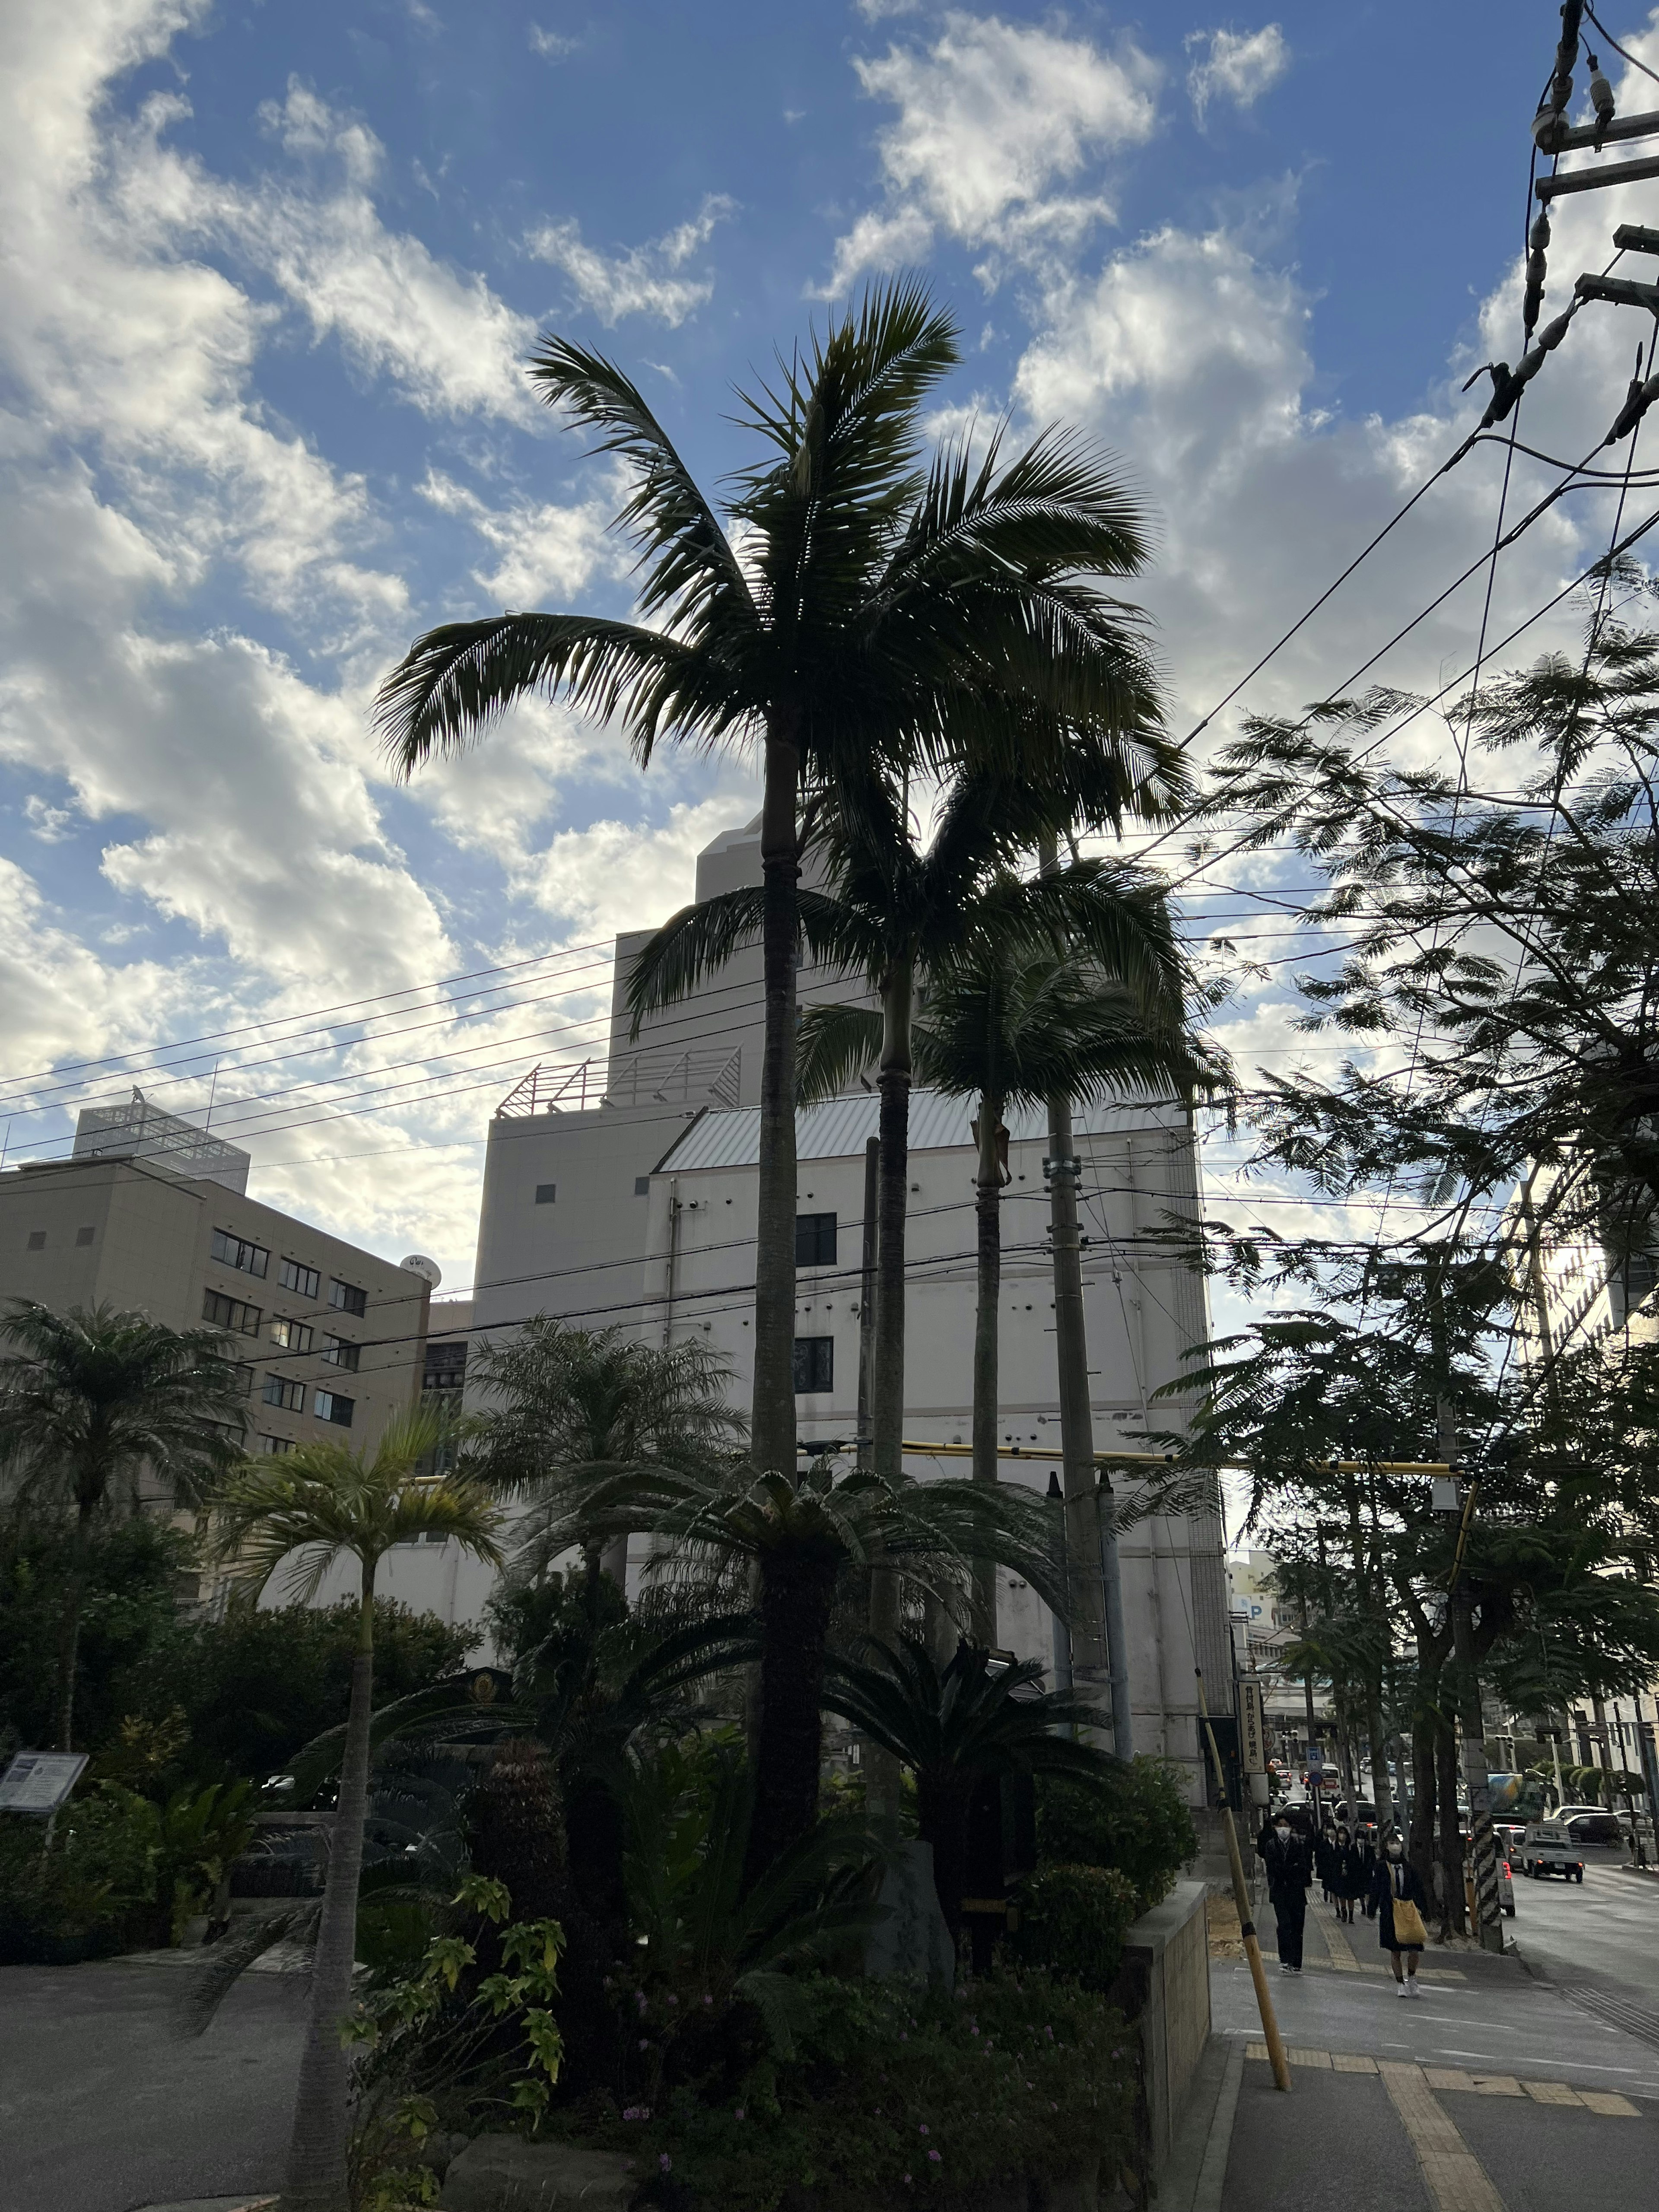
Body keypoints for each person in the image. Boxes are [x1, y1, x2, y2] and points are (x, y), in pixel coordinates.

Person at [1371, 1833, 1427, 1996]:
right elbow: (1376, 1888)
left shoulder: (1409, 1867)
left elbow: (1418, 1889)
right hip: (1390, 1912)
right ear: (1387, 1847)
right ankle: (1400, 1983)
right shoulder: (1381, 1867)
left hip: (1409, 1911)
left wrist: (1424, 1909)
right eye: (1392, 1843)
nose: (1395, 1846)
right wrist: (1372, 1908)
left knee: (1415, 1947)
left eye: (1397, 1843)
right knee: (1395, 1950)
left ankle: (1412, 1976)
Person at [1258, 1812, 1314, 1973]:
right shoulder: (1271, 1845)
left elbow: (1303, 1867)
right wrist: (1290, 1869)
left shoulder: (1298, 1845)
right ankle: (1285, 1960)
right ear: (1275, 1827)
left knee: (1297, 1926)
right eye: (1280, 1826)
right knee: (1284, 1925)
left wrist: (1290, 1870)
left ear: (1291, 1828)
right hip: (1279, 1891)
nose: (1283, 1829)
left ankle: (1296, 1962)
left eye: (1286, 1826)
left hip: (1296, 1892)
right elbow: (1273, 1867)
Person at [1330, 1822, 1362, 1923]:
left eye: (1344, 1833)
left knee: (1351, 1897)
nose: (1342, 1835)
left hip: (1351, 1876)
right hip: (1339, 1876)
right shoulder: (1335, 1847)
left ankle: (1351, 1916)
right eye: (1340, 1833)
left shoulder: (1351, 1847)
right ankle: (1344, 1912)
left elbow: (1356, 1862)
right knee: (1342, 1896)